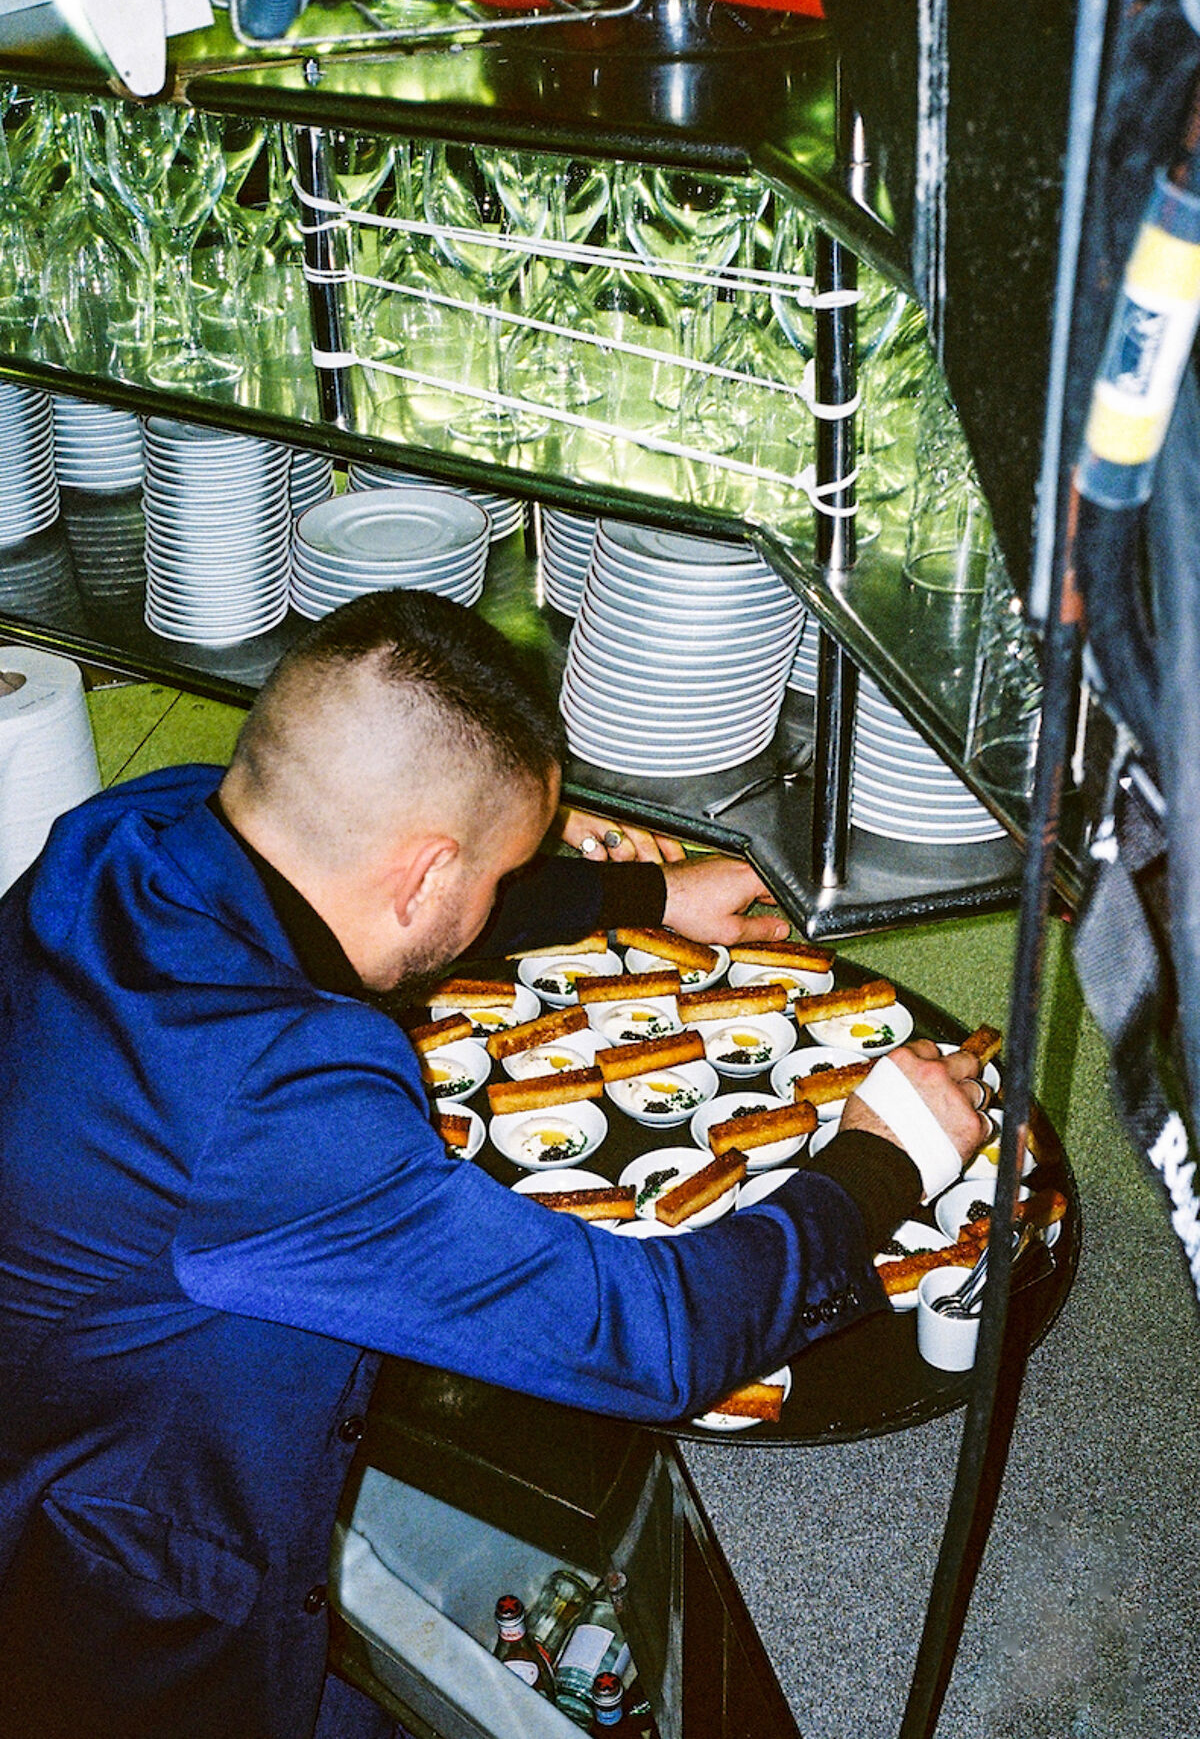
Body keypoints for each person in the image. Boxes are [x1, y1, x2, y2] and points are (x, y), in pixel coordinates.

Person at [0, 591, 990, 1739]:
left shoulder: (139, 829)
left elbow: (389, 894)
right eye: (499, 871)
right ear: (427, 875)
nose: (497, 901)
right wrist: (885, 1156)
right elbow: (647, 1336)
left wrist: (649, 896)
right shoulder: (279, 1094)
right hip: (115, 1601)